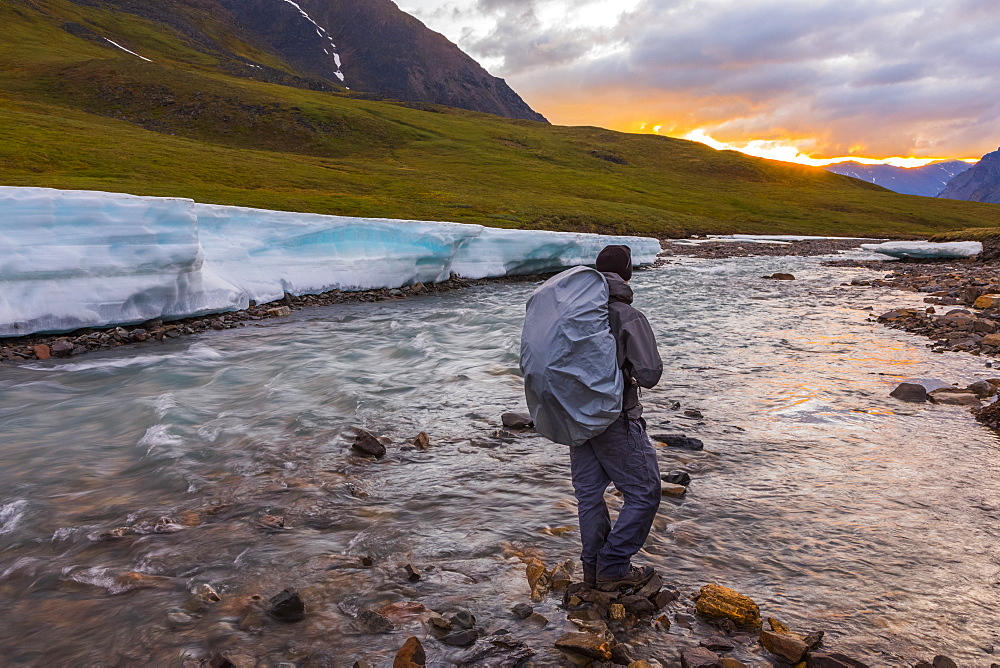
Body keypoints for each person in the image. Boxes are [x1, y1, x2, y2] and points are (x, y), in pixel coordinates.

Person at [572, 244, 663, 591]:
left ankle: (592, 569)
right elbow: (650, 374)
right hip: (615, 416)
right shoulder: (627, 315)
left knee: (590, 495)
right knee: (645, 491)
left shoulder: (576, 310)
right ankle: (613, 565)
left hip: (574, 416)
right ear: (627, 273)